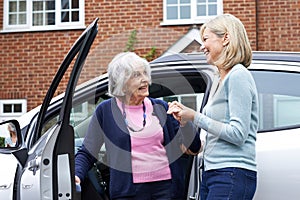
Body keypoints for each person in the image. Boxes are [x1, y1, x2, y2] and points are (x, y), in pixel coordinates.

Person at [75, 52, 201, 200]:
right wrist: (76, 174)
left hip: (167, 190)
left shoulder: (161, 108)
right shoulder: (105, 111)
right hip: (127, 193)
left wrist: (185, 123)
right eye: (136, 75)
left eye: (145, 73)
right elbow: (88, 152)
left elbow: (194, 148)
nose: (145, 79)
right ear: (121, 83)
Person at [167, 14, 259, 200]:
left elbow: (238, 134)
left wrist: (195, 116)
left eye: (206, 39)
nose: (202, 46)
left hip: (231, 173)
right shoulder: (219, 79)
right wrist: (186, 119)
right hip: (214, 173)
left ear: (225, 38)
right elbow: (217, 134)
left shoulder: (238, 75)